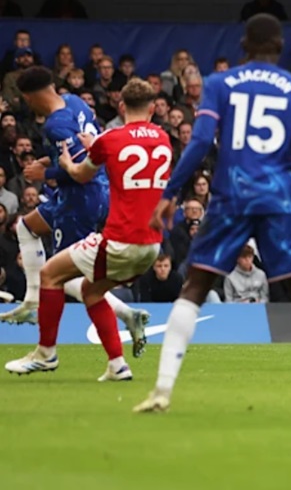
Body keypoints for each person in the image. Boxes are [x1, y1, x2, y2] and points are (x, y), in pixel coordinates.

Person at [135, 14, 291, 414]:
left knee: (196, 287)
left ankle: (162, 391)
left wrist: (171, 192)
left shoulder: (219, 83)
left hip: (231, 196)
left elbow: (201, 140)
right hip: (279, 197)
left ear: (244, 44)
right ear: (281, 45)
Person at [4, 79, 169, 381]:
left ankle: (45, 354)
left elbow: (80, 172)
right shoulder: (163, 138)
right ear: (153, 108)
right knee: (91, 290)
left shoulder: (110, 139)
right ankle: (118, 365)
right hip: (152, 245)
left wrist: (61, 164)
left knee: (50, 274)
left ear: (121, 106)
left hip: (117, 238)